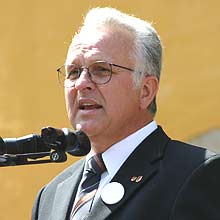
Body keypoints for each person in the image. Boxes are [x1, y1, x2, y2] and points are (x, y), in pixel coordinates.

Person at [32, 7, 220, 220]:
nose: (82, 84)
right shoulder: (50, 196)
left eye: (102, 69)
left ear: (145, 90)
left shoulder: (195, 174)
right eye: (74, 72)